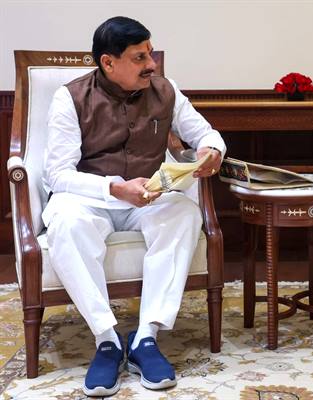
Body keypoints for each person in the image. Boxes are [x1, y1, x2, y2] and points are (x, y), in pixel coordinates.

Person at [42, 16, 226, 396]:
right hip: (90, 199)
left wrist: (211, 150)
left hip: (147, 198)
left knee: (183, 213)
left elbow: (205, 133)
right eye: (140, 57)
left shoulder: (166, 91)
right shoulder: (70, 98)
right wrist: (114, 188)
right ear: (108, 63)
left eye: (150, 54)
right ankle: (106, 340)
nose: (151, 65)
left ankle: (145, 337)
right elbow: (57, 175)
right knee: (65, 223)